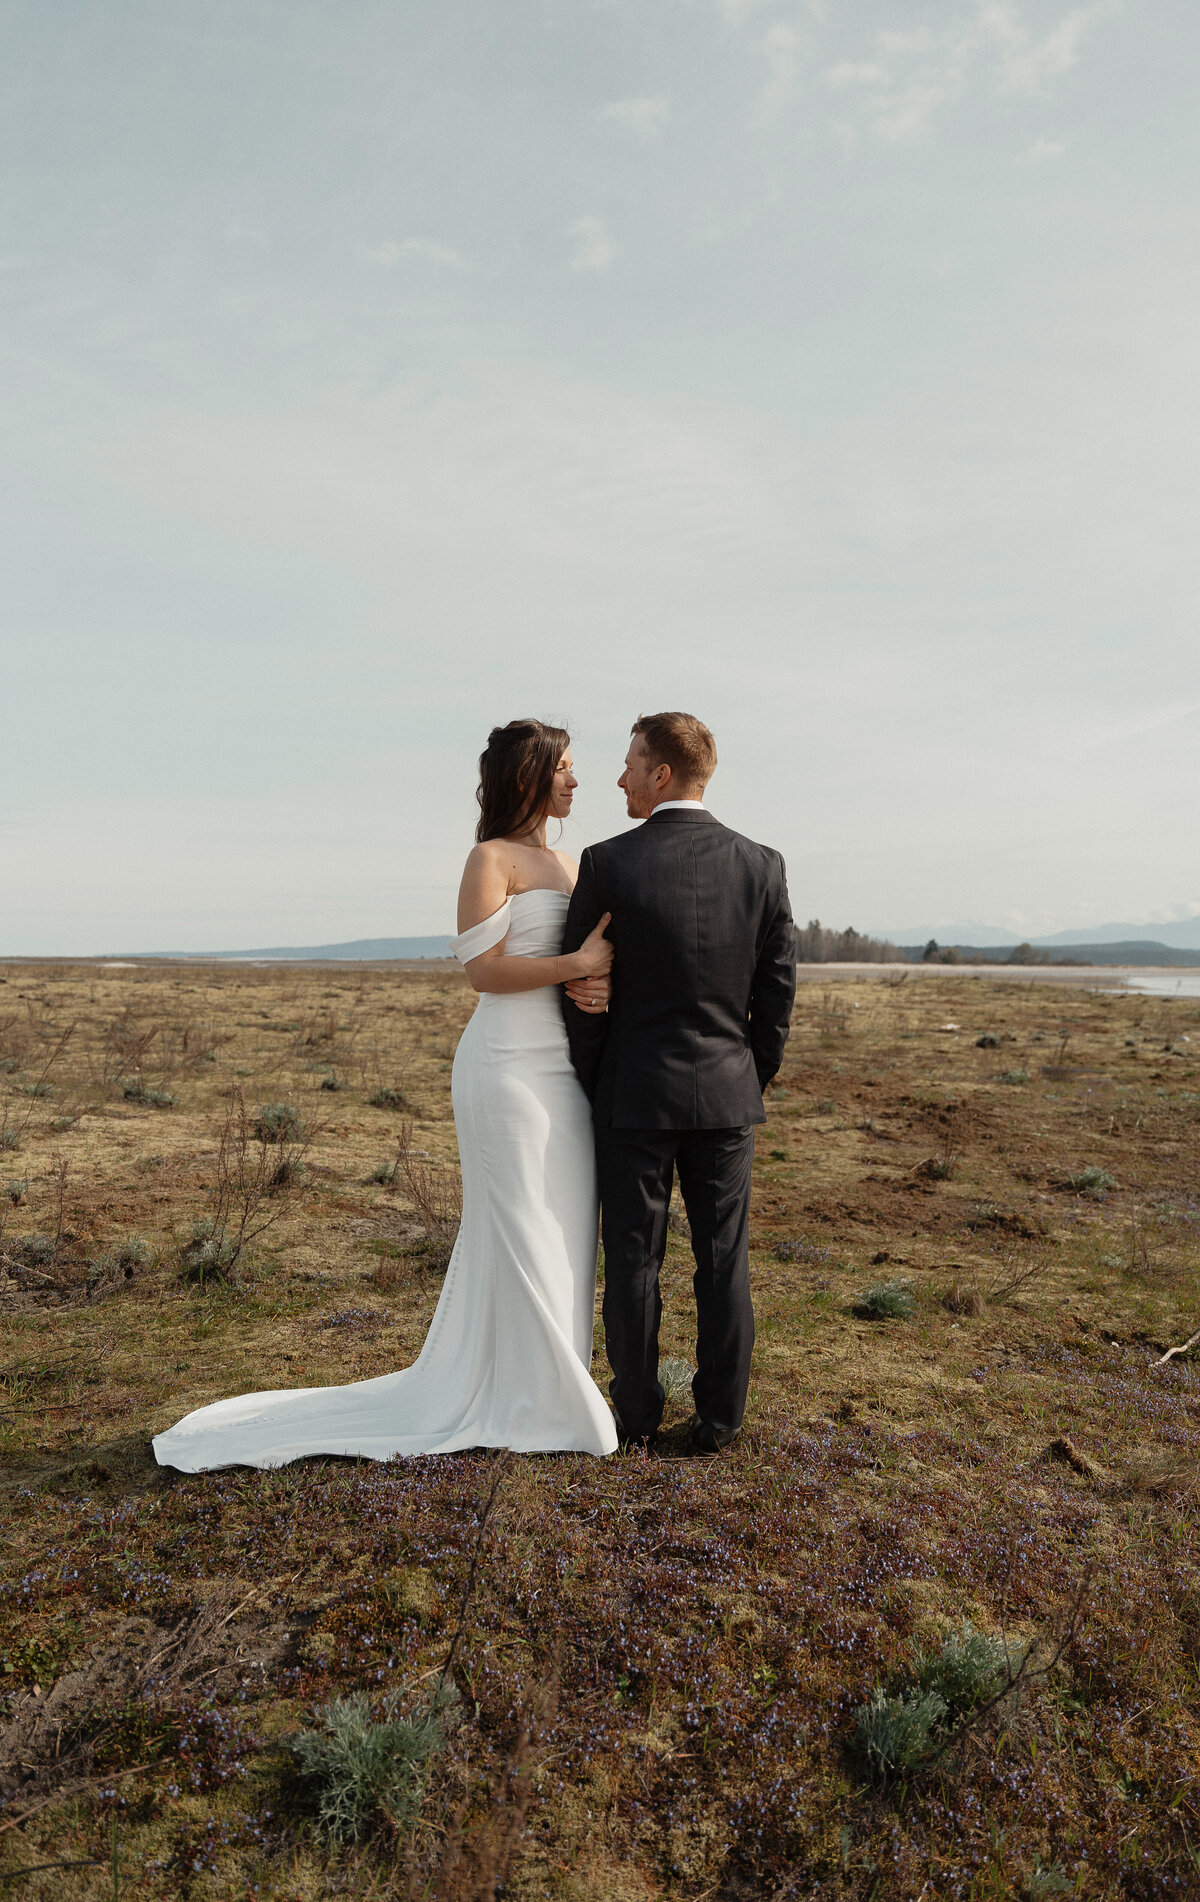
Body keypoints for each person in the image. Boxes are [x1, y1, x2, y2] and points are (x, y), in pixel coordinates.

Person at [153, 720, 619, 1471]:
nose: (575, 782)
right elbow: (485, 973)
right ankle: (533, 1400)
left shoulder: (569, 862)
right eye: (564, 769)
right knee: (520, 1222)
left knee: (564, 1223)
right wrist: (573, 965)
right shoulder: (488, 858)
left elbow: (584, 962)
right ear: (528, 776)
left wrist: (592, 982)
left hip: (564, 1071)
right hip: (504, 1067)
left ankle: (546, 1385)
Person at [561, 711, 796, 1456]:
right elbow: (777, 991)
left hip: (633, 1094)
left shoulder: (608, 864)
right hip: (726, 1094)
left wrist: (600, 1077)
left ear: (661, 773)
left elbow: (580, 988)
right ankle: (721, 1420)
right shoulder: (762, 864)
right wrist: (745, 1075)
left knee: (633, 1258)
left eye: (630, 761)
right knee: (724, 1257)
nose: (620, 776)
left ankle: (633, 1418)